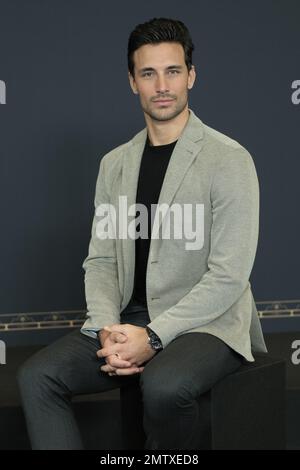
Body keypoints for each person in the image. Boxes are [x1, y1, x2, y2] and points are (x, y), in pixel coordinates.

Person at [17, 17, 268, 450]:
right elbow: (100, 260)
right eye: (148, 73)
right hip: (127, 322)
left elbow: (228, 276)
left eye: (172, 71)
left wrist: (152, 337)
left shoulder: (229, 159)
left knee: (165, 385)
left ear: (191, 75)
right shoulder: (114, 164)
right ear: (133, 82)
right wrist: (105, 330)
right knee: (37, 377)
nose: (162, 84)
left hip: (207, 326)